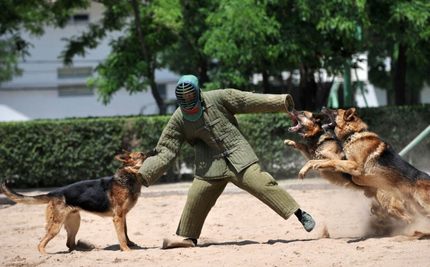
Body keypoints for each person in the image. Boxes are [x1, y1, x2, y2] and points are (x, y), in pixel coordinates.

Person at [137, 74, 315, 248]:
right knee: (196, 195)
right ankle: (189, 238)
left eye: (192, 96)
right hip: (209, 165)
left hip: (239, 156)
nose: (189, 100)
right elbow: (167, 148)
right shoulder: (179, 118)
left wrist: (282, 103)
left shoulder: (219, 98)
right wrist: (145, 173)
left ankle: (300, 214)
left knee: (262, 184)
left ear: (199, 94)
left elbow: (247, 101)